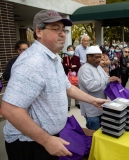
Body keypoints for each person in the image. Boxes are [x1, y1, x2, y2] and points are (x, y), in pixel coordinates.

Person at [0, 10, 108, 160]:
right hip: (30, 143)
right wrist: (47, 140)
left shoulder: (54, 58)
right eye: (55, 29)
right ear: (38, 31)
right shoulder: (32, 62)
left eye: (63, 30)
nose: (62, 33)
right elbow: (10, 110)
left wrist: (93, 100)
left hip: (44, 138)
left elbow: (67, 87)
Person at [78, 46, 121, 130]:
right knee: (93, 134)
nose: (99, 60)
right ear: (89, 57)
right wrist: (108, 80)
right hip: (91, 110)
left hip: (102, 107)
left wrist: (113, 80)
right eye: (96, 57)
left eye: (100, 57)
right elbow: (91, 86)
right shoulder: (84, 69)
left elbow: (106, 78)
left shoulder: (99, 68)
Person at [62, 45, 81, 110]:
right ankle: (68, 105)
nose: (71, 51)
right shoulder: (65, 58)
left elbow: (78, 66)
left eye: (72, 50)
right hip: (68, 77)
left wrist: (69, 66)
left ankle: (77, 103)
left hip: (75, 77)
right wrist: (72, 66)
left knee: (77, 90)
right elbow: (64, 67)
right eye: (69, 50)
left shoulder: (77, 58)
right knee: (68, 91)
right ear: (67, 51)